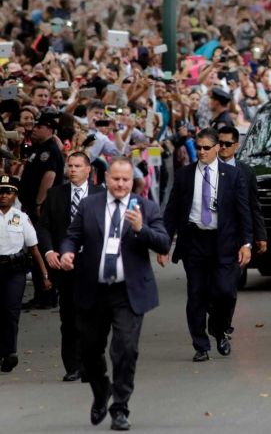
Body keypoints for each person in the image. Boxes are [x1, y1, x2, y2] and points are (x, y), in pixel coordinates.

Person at [59, 157, 170, 430]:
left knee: (125, 350)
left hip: (128, 292)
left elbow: (164, 242)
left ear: (133, 182)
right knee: (89, 351)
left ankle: (120, 407)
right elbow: (72, 235)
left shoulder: (146, 207)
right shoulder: (89, 205)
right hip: (93, 290)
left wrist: (140, 228)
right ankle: (101, 392)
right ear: (106, 178)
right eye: (116, 179)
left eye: (126, 180)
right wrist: (67, 251)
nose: (120, 184)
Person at [162, 128, 253, 362]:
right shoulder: (184, 175)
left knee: (225, 291)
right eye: (198, 147)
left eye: (206, 148)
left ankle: (219, 328)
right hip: (194, 241)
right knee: (196, 295)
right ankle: (200, 345)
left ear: (216, 148)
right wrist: (163, 244)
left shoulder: (232, 175)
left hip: (224, 242)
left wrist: (247, 243)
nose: (201, 152)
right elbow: (172, 211)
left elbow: (244, 211)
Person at [37, 151, 105, 381]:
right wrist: (48, 251)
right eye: (70, 166)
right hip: (65, 265)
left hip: (92, 264)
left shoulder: (102, 195)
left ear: (88, 170)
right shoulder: (55, 195)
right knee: (69, 316)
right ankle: (73, 366)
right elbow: (43, 226)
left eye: (78, 166)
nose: (73, 170)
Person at [217, 126, 267, 333]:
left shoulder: (245, 171)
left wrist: (260, 235)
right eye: (220, 143)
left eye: (228, 144)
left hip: (237, 237)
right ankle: (215, 318)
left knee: (230, 286)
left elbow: (254, 205)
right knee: (211, 287)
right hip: (211, 236)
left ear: (236, 146)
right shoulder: (205, 168)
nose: (223, 148)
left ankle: (225, 323)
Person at [0, 175, 50, 373]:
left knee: (11, 311)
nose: (3, 196)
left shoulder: (21, 218)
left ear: (15, 195)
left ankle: (10, 352)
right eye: (1, 192)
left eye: (8, 192)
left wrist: (45, 275)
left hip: (14, 271)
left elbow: (34, 248)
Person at [19, 111, 65, 308]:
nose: (34, 129)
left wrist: (39, 202)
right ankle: (43, 293)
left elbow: (50, 176)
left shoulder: (49, 150)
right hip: (33, 205)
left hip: (43, 207)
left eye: (38, 127)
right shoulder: (39, 147)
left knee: (41, 248)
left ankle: (46, 295)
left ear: (48, 129)